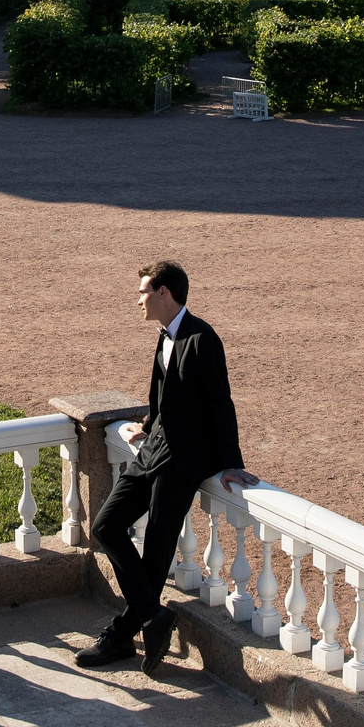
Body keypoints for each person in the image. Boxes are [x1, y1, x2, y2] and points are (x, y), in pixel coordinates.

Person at [78, 260, 256, 673]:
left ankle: (122, 637)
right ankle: (151, 618)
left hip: (183, 464)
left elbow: (220, 403)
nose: (138, 299)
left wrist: (231, 463)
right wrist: (144, 427)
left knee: (157, 553)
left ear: (163, 293)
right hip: (152, 452)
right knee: (106, 526)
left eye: (143, 291)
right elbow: (161, 397)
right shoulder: (165, 336)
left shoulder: (202, 338)